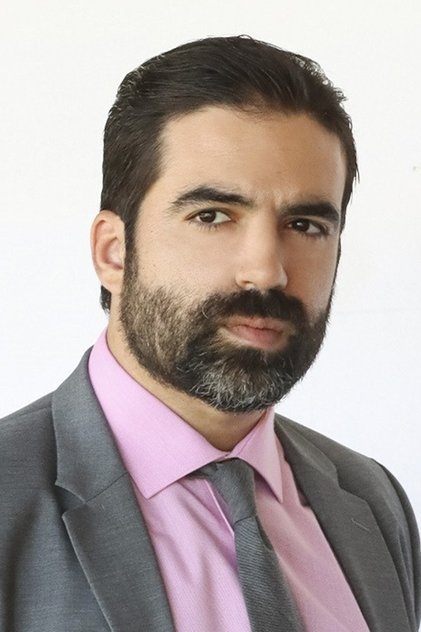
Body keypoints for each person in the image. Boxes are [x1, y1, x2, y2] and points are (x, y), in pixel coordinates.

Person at [1, 36, 419, 632]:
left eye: (305, 225)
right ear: (114, 251)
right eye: (213, 216)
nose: (267, 271)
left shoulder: (372, 500)